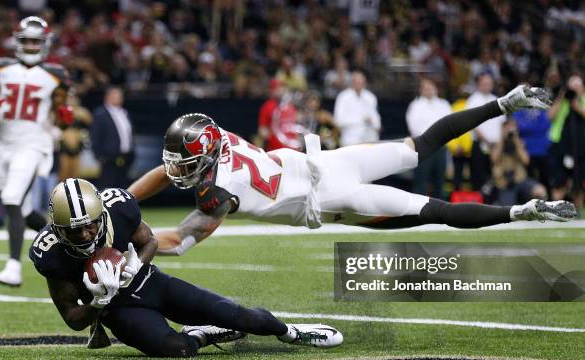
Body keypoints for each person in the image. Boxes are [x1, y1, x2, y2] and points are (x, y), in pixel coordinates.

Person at [128, 85, 576, 257]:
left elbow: (178, 242)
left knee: (432, 209)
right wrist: (124, 203)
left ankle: (525, 211)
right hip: (326, 161)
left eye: (185, 159)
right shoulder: (217, 136)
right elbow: (167, 172)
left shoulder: (218, 192)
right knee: (420, 147)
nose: (174, 168)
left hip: (332, 198)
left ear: (203, 155)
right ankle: (505, 102)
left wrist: (129, 232)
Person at [29, 178, 342, 357]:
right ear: (57, 228)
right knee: (180, 349)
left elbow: (149, 241)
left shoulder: (118, 208)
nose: (85, 235)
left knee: (239, 315)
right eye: (74, 230)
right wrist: (100, 302)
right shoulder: (50, 253)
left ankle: (292, 332)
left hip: (149, 282)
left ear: (101, 215)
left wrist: (134, 265)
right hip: (119, 312)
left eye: (90, 226)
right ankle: (200, 335)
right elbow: (73, 318)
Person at [0, 17, 73, 286]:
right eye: (26, 40)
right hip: (4, 146)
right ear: (17, 41)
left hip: (33, 144)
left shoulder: (56, 75)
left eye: (35, 41)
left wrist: (66, 116)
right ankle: (72, 246)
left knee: (11, 198)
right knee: (25, 210)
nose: (30, 46)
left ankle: (13, 267)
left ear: (44, 44)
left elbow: (63, 119)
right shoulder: (0, 69)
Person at [405, 77, 452, 199]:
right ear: (421, 90)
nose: (428, 89)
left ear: (436, 88)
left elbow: (449, 125)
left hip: (440, 148)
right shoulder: (415, 106)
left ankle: (440, 213)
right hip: (422, 147)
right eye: (425, 87)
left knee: (439, 183)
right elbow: (414, 127)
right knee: (420, 183)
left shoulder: (444, 105)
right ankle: (417, 214)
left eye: (430, 86)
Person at [548, 75, 585, 209]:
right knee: (559, 181)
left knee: (579, 182)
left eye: (577, 87)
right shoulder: (562, 101)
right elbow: (550, 117)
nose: (574, 90)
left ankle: (578, 212)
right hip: (560, 144)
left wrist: (577, 106)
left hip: (580, 147)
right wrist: (560, 97)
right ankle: (555, 211)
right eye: (572, 88)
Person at [490, 119, 547, 205]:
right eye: (506, 127)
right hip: (504, 184)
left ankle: (541, 211)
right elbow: (494, 160)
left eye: (511, 127)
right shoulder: (497, 144)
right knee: (508, 209)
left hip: (520, 180)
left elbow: (526, 161)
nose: (509, 130)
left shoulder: (520, 143)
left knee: (540, 191)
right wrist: (502, 138)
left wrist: (516, 140)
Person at [91, 86, 134, 190]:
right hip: (108, 158)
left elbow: (130, 134)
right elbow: (95, 136)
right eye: (116, 95)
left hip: (126, 157)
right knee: (107, 187)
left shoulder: (125, 113)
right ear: (108, 97)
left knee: (123, 188)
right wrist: (99, 156)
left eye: (120, 96)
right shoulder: (100, 113)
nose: (119, 98)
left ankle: (122, 207)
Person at [466, 73, 504, 191]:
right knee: (478, 177)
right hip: (480, 145)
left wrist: (499, 144)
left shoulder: (497, 100)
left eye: (489, 83)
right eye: (484, 83)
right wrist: (487, 141)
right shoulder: (473, 100)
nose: (486, 86)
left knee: (494, 179)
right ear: (478, 84)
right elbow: (472, 123)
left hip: (496, 147)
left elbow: (502, 124)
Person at [333, 71, 382, 146]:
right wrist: (361, 120)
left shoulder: (370, 97)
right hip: (350, 140)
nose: (358, 84)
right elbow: (338, 120)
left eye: (361, 82)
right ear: (352, 82)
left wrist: (374, 123)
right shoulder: (343, 97)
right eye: (356, 82)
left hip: (369, 140)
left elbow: (376, 120)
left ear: (365, 83)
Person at [257, 79, 302, 151]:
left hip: (292, 150)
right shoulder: (267, 106)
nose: (282, 90)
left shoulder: (290, 106)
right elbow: (262, 130)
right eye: (278, 87)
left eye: (283, 87)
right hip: (275, 151)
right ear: (272, 90)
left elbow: (295, 126)